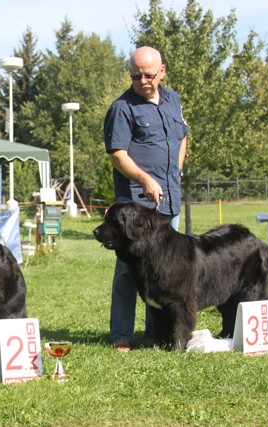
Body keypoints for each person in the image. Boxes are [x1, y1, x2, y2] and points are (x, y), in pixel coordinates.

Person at [103, 46, 188, 352]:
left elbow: (183, 136)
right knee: (129, 271)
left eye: (148, 75)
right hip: (136, 208)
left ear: (161, 72)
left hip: (169, 203)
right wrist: (145, 179)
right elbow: (118, 155)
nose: (143, 81)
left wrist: (177, 170)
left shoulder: (173, 99)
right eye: (136, 76)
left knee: (165, 269)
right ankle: (122, 335)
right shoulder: (122, 108)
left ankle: (159, 332)